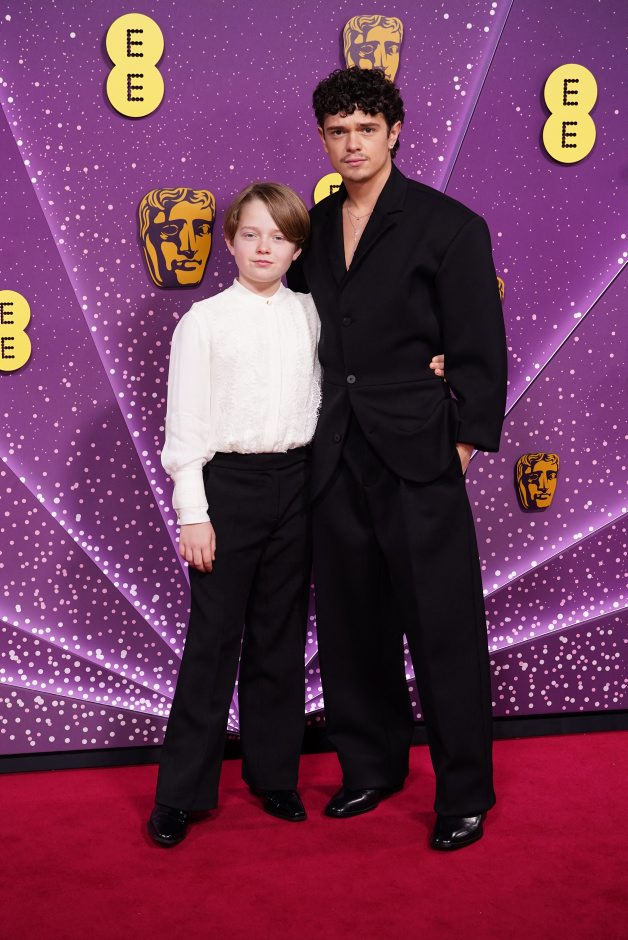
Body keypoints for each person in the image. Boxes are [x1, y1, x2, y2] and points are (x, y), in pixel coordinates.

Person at [287, 67, 508, 851]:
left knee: (443, 628)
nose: (352, 143)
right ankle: (371, 767)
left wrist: (462, 443)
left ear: (395, 133)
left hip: (419, 453)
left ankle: (464, 792)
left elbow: (479, 347)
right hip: (333, 452)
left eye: (366, 129)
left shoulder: (449, 226)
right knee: (353, 628)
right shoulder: (312, 228)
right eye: (338, 131)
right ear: (323, 139)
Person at [147, 182, 320, 846]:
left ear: (296, 248)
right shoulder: (205, 321)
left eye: (279, 236)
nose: (263, 247)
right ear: (229, 242)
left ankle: (274, 776)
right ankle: (180, 793)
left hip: (299, 483)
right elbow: (186, 422)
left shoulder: (311, 314)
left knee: (281, 636)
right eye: (251, 234)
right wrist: (193, 511)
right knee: (213, 640)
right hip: (228, 487)